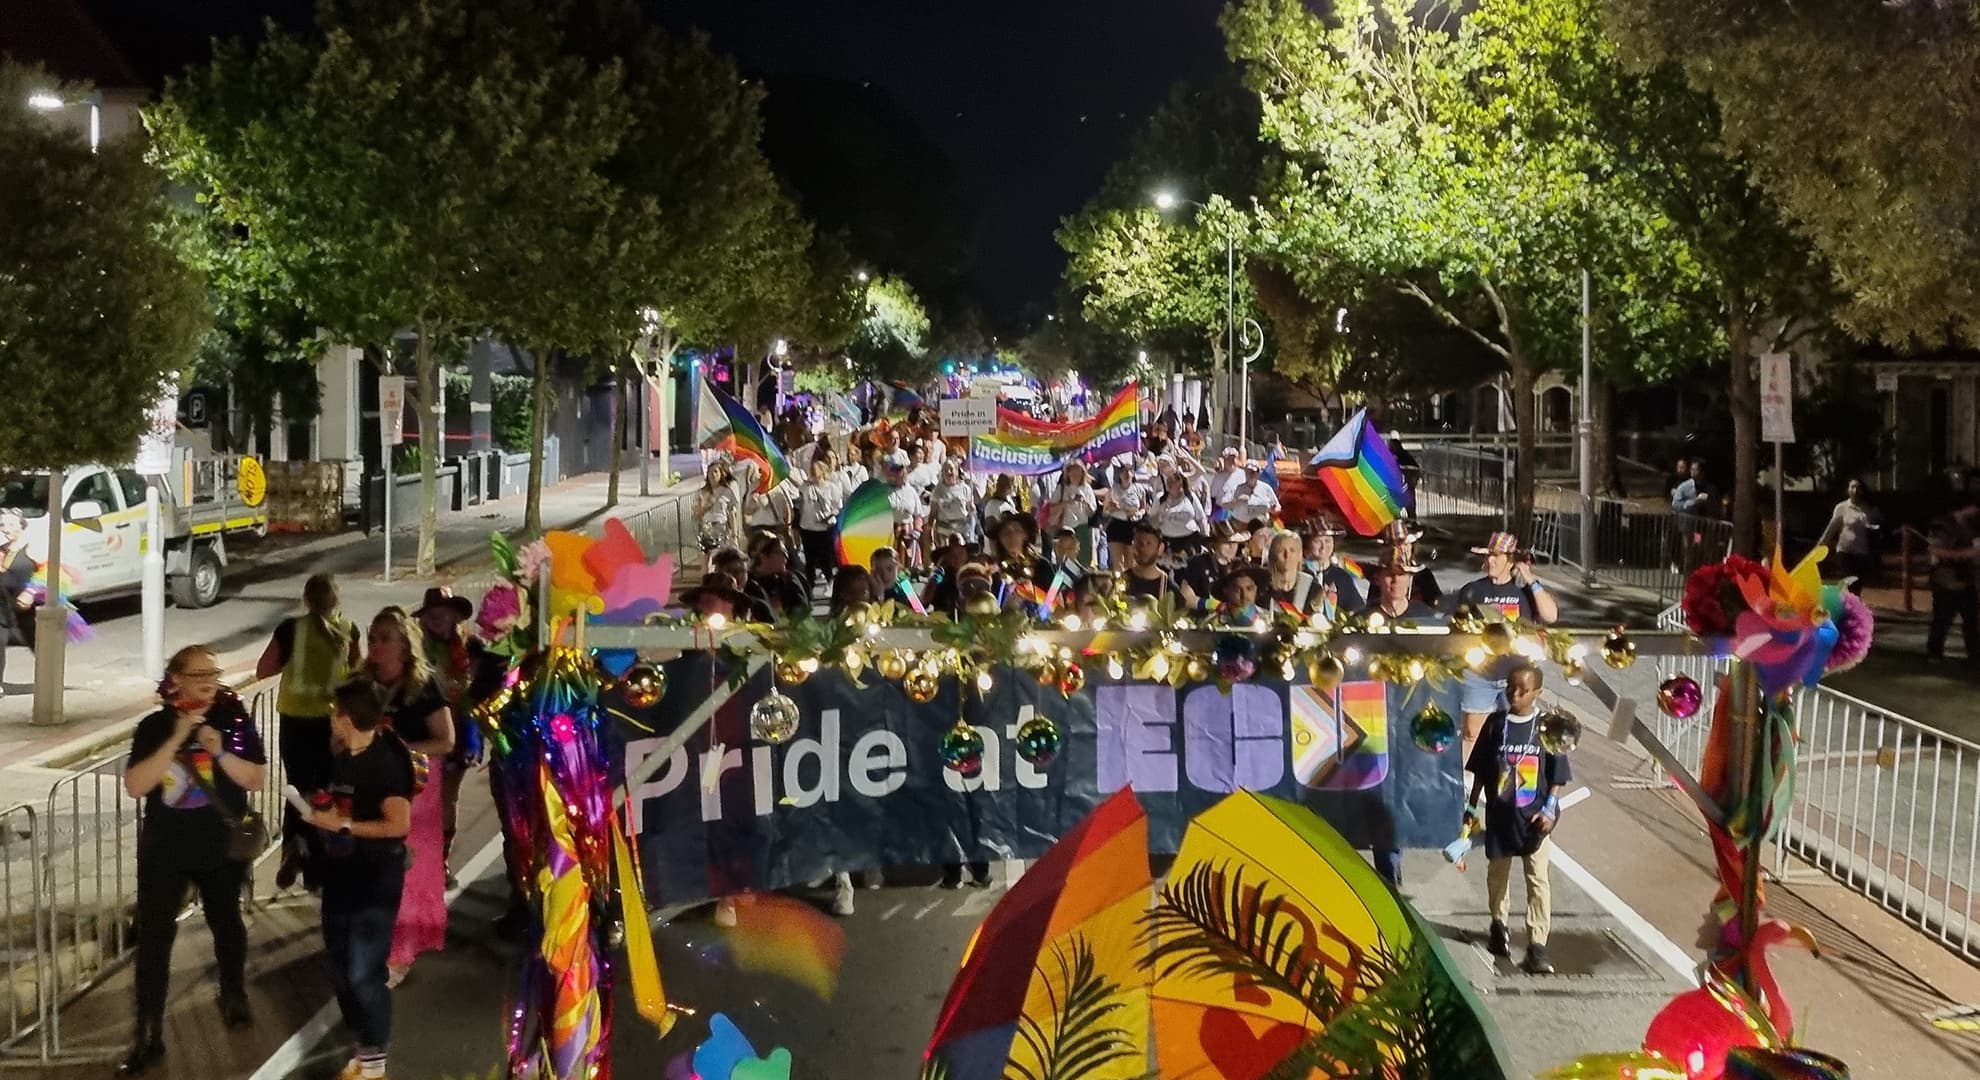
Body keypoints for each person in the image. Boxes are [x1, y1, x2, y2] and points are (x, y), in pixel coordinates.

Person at [119, 645, 267, 1074]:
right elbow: (136, 784)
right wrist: (179, 737)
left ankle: (233, 992)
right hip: (165, 849)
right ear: (176, 679)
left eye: (213, 672)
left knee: (226, 921)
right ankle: (148, 1032)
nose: (208, 679)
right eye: (198, 672)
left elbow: (255, 778)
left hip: (221, 848)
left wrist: (219, 750)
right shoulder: (153, 726)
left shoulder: (234, 720)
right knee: (154, 938)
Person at [310, 677, 417, 1080]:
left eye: (335, 712)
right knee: (339, 967)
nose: (330, 719)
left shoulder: (385, 763)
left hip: (375, 880)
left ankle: (374, 1062)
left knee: (363, 972)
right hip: (341, 876)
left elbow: (398, 824)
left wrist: (343, 825)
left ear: (346, 717)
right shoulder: (345, 754)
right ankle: (363, 1042)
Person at [362, 607, 454, 987]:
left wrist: (398, 749)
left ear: (405, 644)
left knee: (406, 868)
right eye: (373, 637)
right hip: (372, 784)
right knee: (372, 864)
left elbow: (445, 740)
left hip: (415, 786)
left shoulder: (423, 685)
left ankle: (401, 950)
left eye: (386, 638)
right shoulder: (362, 683)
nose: (376, 645)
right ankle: (373, 937)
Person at [257, 573, 362, 890]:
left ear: (306, 599)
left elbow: (264, 669)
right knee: (325, 792)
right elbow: (358, 673)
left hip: (295, 723)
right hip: (332, 726)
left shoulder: (292, 630)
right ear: (337, 600)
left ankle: (294, 847)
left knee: (298, 787)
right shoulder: (349, 630)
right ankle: (317, 865)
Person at [1464, 662, 1569, 975]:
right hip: (1500, 816)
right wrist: (1470, 810)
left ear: (1537, 692)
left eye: (1524, 690)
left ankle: (1538, 944)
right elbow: (1482, 771)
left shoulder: (1547, 727)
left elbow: (1557, 775)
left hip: (1535, 820)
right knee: (1498, 875)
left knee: (1537, 879)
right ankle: (1499, 924)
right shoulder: (1496, 724)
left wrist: (1549, 808)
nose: (1516, 694)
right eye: (1511, 688)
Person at [1452, 532, 1559, 754]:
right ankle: (1469, 783)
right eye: (1489, 556)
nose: (1490, 560)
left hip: (1517, 676)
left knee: (1514, 733)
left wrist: (1530, 578)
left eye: (1496, 556)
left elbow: (1551, 616)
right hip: (1480, 674)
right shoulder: (1473, 590)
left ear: (1510, 560)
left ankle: (1507, 781)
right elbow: (1457, 626)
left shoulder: (1525, 592)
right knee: (1473, 734)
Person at [413, 587, 481, 888]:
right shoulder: (414, 648)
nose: (438, 618)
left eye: (444, 612)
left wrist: (473, 736)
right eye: (432, 613)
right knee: (419, 802)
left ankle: (440, 862)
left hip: (458, 732)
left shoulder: (471, 647)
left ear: (455, 615)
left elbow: (476, 697)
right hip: (423, 735)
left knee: (448, 799)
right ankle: (418, 862)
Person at [1926, 503, 1980, 663]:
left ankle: (1975, 656)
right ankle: (1934, 653)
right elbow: (1936, 550)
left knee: (1971, 622)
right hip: (1945, 581)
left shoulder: (1973, 527)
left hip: (1967, 581)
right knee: (1942, 620)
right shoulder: (1942, 525)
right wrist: (1967, 554)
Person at [1818, 478, 1881, 591]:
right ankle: (1847, 606)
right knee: (1851, 582)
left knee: (1857, 586)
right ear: (1848, 490)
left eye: (1858, 487)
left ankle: (1849, 605)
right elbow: (1832, 528)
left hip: (1862, 553)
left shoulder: (1868, 509)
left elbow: (1875, 528)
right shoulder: (1841, 508)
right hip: (1845, 552)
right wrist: (1821, 544)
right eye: (1852, 487)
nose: (1855, 490)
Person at [796, 457, 844, 597]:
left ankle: (830, 581)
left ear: (823, 471)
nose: (812, 471)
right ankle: (809, 586)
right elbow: (798, 495)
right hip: (808, 527)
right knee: (810, 559)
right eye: (811, 470)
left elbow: (837, 506)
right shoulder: (806, 487)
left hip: (825, 528)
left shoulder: (832, 488)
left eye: (815, 469)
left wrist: (830, 516)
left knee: (825, 558)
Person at [0, 508, 34, 695]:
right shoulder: (3, 549)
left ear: (22, 526)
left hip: (28, 609)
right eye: (2, 525)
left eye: (11, 524)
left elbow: (52, 572)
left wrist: (32, 591)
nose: (6, 529)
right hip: (3, 606)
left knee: (39, 645)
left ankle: (51, 683)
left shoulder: (32, 547)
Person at [1178, 521, 1246, 612]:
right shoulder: (1198, 563)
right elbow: (1186, 598)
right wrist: (1213, 605)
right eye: (1227, 543)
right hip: (1202, 620)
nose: (1232, 547)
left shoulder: (1240, 567)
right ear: (1215, 543)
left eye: (1235, 543)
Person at [1302, 521, 1364, 616]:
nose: (1323, 547)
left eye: (1327, 541)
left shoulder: (1342, 577)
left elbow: (1356, 610)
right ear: (1307, 544)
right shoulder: (1300, 574)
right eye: (1317, 541)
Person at [692, 461, 743, 572]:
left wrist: (734, 534)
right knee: (706, 557)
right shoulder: (702, 492)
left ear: (721, 474)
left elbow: (731, 513)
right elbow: (696, 513)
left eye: (716, 472)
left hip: (721, 525)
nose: (713, 475)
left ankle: (719, 578)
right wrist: (706, 505)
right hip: (706, 526)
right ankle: (706, 580)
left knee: (720, 557)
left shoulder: (727, 491)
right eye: (710, 472)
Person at [1100, 463, 1152, 571]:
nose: (1126, 474)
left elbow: (1144, 508)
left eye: (1129, 471)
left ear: (1133, 474)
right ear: (1119, 475)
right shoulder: (1114, 489)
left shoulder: (1139, 489)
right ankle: (1118, 584)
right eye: (1123, 471)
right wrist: (1114, 507)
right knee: (1117, 562)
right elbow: (1105, 511)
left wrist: (1139, 513)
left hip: (1132, 526)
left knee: (1130, 562)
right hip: (1116, 525)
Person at [1261, 529, 1323, 616]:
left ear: (1300, 555)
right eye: (1281, 550)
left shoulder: (1313, 589)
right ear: (1273, 555)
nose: (1287, 555)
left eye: (1292, 550)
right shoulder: (1262, 588)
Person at [1042, 461, 1098, 553]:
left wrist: (1084, 502)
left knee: (1082, 559)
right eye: (1073, 472)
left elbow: (1091, 512)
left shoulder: (1087, 488)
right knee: (1065, 557)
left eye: (1078, 472)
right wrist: (1067, 502)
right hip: (1065, 527)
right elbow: (1052, 508)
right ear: (1068, 474)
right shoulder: (1062, 488)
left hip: (1082, 527)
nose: (1075, 475)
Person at [988, 512, 1053, 590]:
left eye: (1016, 530)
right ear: (1000, 539)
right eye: (1005, 532)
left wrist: (1032, 593)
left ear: (1025, 535)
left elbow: (1055, 597)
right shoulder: (994, 571)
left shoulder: (1043, 566)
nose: (1011, 535)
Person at [1153, 469, 1210, 557]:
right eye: (1170, 484)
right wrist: (1160, 515)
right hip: (1167, 541)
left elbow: (1201, 518)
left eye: (1178, 484)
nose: (1174, 487)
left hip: (1190, 540)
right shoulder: (1160, 499)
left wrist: (1206, 540)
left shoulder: (1190, 497)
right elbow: (1152, 523)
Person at [749, 537, 811, 617]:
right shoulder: (749, 583)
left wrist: (791, 582)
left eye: (786, 551)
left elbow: (803, 611)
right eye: (780, 552)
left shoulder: (792, 578)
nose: (786, 556)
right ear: (763, 556)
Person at [928, 460, 979, 550]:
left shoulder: (965, 489)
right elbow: (933, 513)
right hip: (944, 530)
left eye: (951, 469)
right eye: (945, 470)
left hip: (962, 529)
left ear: (957, 471)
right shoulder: (937, 491)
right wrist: (930, 535)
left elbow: (971, 512)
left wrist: (972, 509)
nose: (948, 472)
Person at [1122, 523, 1178, 602]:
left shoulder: (1169, 589)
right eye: (1139, 543)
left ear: (1160, 549)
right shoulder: (1121, 581)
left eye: (1149, 543)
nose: (1143, 549)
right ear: (1133, 546)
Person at [1225, 461, 1281, 531]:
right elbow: (1230, 506)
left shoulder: (1266, 488)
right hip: (1240, 524)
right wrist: (1238, 500)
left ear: (1258, 473)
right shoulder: (1239, 488)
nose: (1250, 475)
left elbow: (1278, 507)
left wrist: (1272, 509)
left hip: (1259, 525)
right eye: (1248, 472)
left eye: (1253, 472)